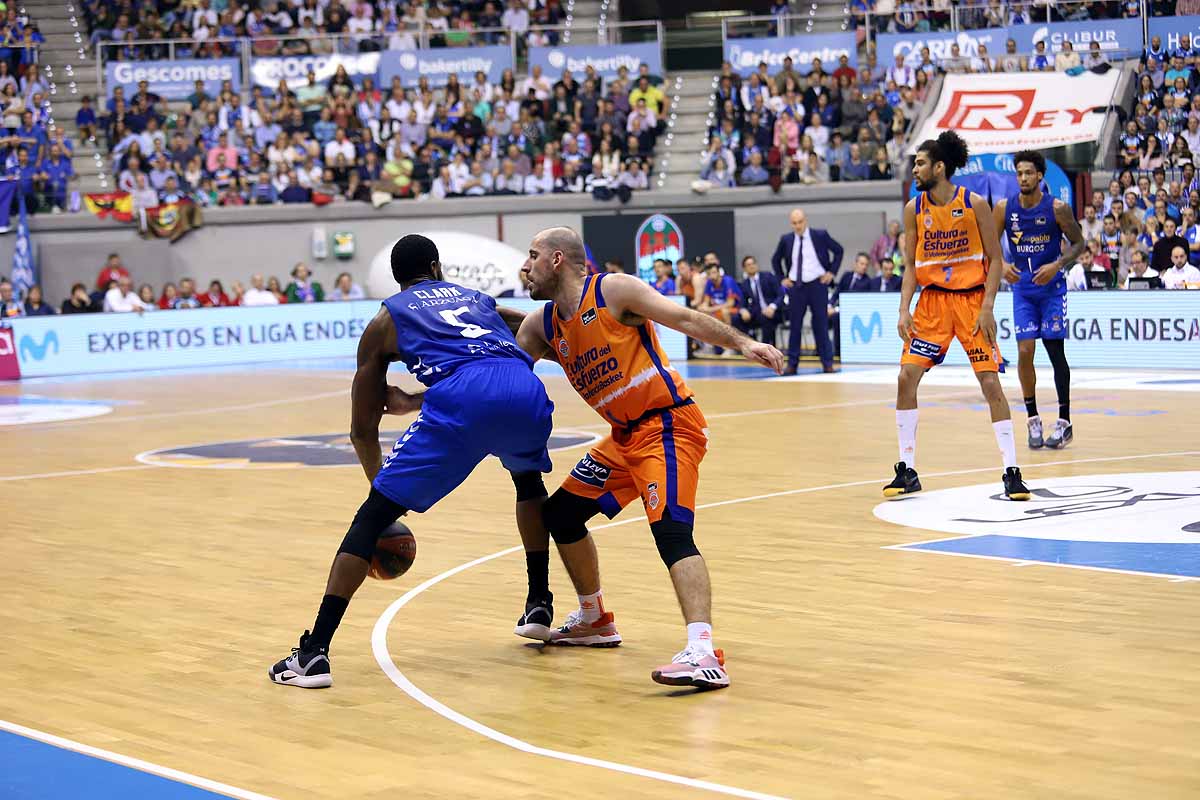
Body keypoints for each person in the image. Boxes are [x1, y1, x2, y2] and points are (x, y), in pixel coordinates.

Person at [268, 235, 557, 689]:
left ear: (398, 279)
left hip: (464, 400)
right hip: (525, 389)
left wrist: (381, 502)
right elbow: (539, 334)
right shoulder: (478, 300)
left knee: (369, 520)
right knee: (528, 484)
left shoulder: (387, 320)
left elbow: (362, 428)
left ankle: (313, 654)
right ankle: (539, 601)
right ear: (438, 267)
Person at [513, 227, 784, 689]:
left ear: (558, 260)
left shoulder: (614, 291)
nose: (525, 266)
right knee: (559, 514)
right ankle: (595, 619)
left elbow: (684, 317)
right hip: (622, 438)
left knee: (672, 531)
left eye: (533, 256)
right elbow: (498, 374)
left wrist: (742, 343)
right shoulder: (541, 326)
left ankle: (703, 651)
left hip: (668, 426)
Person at [886, 131, 1030, 502]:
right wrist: (904, 308)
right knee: (906, 377)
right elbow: (911, 267)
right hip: (932, 304)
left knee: (990, 384)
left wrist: (987, 307)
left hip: (971, 302)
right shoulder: (913, 208)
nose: (914, 169)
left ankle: (1012, 471)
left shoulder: (974, 203)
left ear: (939, 166)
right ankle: (907, 469)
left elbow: (997, 260)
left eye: (920, 163)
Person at [995, 150, 1085, 451]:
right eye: (1019, 173)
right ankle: (1033, 417)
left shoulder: (1057, 208)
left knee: (1054, 351)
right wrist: (1003, 265)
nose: (1023, 178)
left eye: (1029, 173)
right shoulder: (1004, 208)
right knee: (1024, 350)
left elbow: (1079, 243)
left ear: (1040, 176)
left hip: (1051, 289)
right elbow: (989, 245)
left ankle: (1064, 421)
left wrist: (1058, 265)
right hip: (1022, 288)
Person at [770, 208, 843, 374]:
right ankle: (792, 364)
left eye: (800, 222)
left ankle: (827, 363)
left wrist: (831, 272)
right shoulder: (786, 240)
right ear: (791, 223)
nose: (797, 226)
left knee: (821, 324)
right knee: (795, 325)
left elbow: (838, 250)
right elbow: (775, 260)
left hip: (817, 284)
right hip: (797, 286)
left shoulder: (820, 235)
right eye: (794, 223)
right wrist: (782, 278)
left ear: (805, 220)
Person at [735, 255, 783, 345]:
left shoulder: (768, 276)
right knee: (737, 319)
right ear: (744, 269)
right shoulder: (745, 284)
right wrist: (743, 310)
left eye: (753, 263)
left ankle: (765, 347)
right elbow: (742, 302)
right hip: (756, 312)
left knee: (766, 318)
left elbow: (780, 294)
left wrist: (772, 307)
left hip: (774, 311)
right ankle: (749, 344)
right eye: (748, 265)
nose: (751, 266)